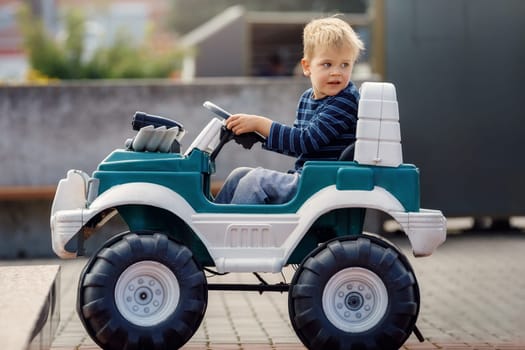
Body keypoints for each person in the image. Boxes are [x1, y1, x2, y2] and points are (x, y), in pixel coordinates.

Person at [215, 16, 364, 204]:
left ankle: (235, 231)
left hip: (324, 184)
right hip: (308, 178)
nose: (337, 72)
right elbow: (298, 147)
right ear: (307, 66)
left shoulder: (345, 100)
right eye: (327, 64)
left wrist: (261, 124)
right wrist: (258, 133)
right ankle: (207, 231)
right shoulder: (307, 99)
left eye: (345, 64)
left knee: (255, 182)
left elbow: (305, 141)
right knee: (239, 176)